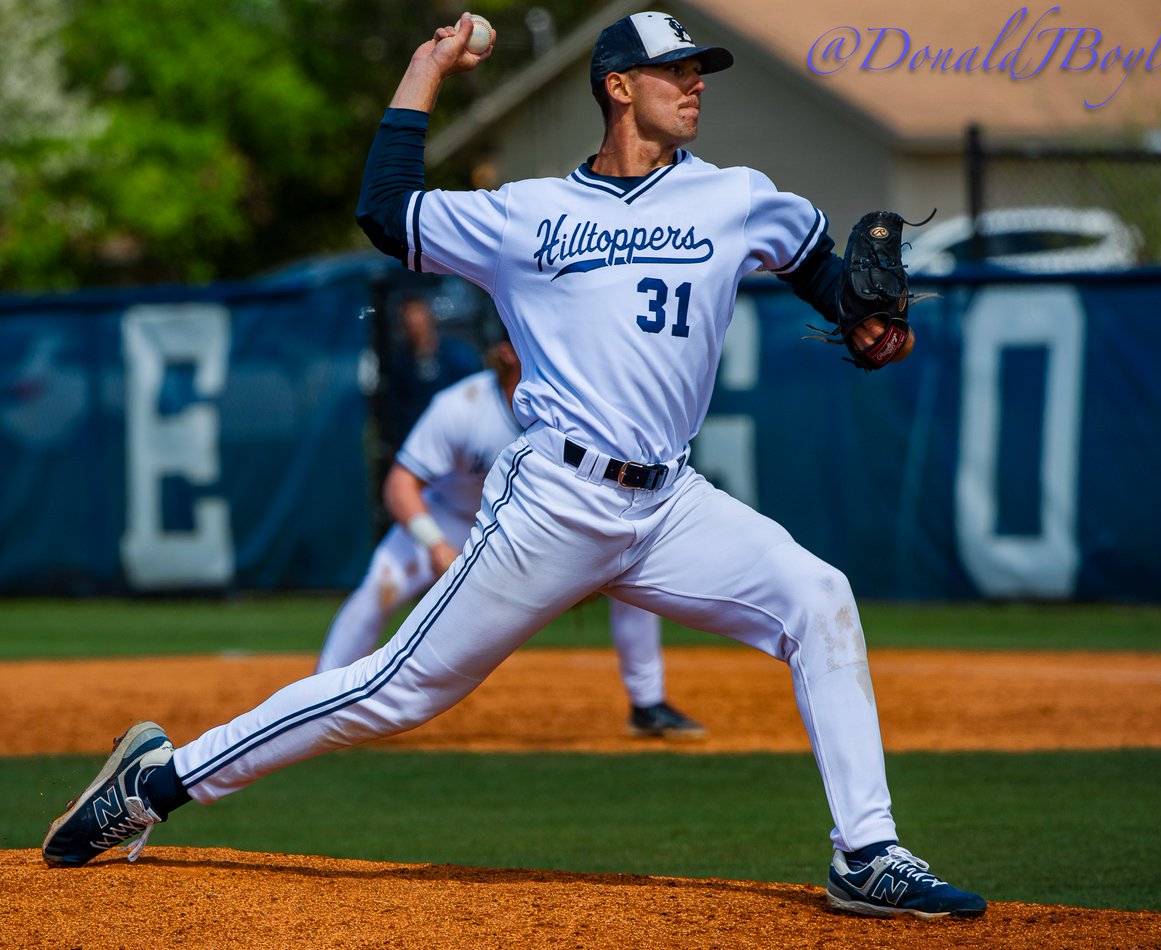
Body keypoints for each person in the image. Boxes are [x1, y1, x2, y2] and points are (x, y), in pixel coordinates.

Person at [43, 11, 984, 920]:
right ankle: (156, 784)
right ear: (619, 87)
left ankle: (868, 854)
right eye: (676, 70)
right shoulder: (526, 216)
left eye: (700, 70)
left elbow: (824, 273)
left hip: (670, 504)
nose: (696, 84)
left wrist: (870, 326)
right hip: (556, 500)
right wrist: (427, 68)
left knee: (818, 597)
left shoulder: (736, 196)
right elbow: (385, 212)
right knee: (396, 689)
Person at [317, 329, 705, 738]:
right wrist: (434, 543)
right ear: (507, 353)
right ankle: (320, 698)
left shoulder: (576, 406)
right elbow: (400, 485)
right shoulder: (463, 406)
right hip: (449, 518)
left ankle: (647, 704)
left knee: (632, 566)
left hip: (528, 521)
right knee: (381, 587)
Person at [384, 294, 481, 448]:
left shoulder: (457, 354)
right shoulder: (400, 364)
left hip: (459, 436)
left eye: (419, 323)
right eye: (410, 325)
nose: (416, 330)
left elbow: (476, 392)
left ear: (430, 319)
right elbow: (397, 410)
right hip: (419, 440)